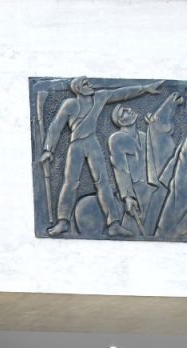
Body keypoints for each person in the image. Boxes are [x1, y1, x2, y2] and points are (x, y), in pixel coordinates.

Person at [41, 76, 161, 237]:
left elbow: (121, 93)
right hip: (76, 145)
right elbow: (55, 127)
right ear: (78, 89)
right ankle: (63, 222)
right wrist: (48, 149)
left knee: (103, 183)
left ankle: (113, 224)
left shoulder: (99, 98)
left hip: (92, 143)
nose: (90, 85)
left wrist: (144, 88)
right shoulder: (70, 104)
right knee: (70, 183)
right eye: (85, 84)